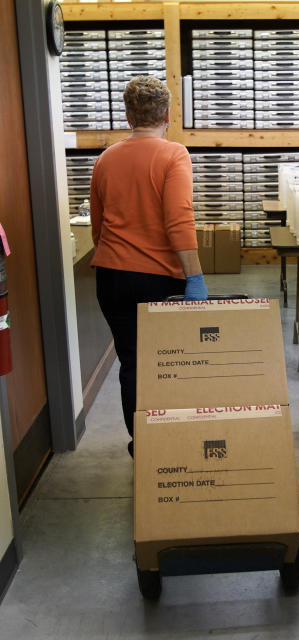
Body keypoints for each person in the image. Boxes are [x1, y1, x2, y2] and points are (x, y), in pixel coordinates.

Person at [90, 75, 209, 458]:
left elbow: (97, 224)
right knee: (170, 364)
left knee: (132, 363)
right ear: (168, 115)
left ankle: (142, 446)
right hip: (160, 280)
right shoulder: (173, 155)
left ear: (128, 115)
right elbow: (179, 220)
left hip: (112, 276)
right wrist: (194, 277)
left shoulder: (105, 159)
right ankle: (172, 442)